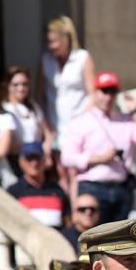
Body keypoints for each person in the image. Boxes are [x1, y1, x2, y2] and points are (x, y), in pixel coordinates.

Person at [62, 71, 136, 225]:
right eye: (104, 91)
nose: (108, 97)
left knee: (119, 242)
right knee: (96, 240)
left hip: (121, 189)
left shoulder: (125, 120)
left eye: (112, 92)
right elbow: (67, 157)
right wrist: (98, 159)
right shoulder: (82, 122)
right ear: (95, 93)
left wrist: (135, 111)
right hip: (92, 187)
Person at [39, 15, 95, 200]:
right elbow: (41, 97)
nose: (51, 46)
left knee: (75, 173)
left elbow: (92, 93)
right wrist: (47, 131)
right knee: (60, 172)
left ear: (66, 38)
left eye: (54, 41)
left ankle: (76, 212)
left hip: (78, 126)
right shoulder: (46, 61)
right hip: (56, 128)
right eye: (49, 42)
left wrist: (82, 124)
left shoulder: (82, 58)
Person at [9, 142, 70, 229]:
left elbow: (67, 222)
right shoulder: (14, 191)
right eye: (29, 159)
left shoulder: (57, 190)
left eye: (37, 158)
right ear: (21, 162)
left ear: (44, 161)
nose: (34, 163)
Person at [2, 65, 55, 157]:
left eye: (25, 84)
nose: (21, 88)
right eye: (16, 85)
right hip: (16, 158)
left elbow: (47, 132)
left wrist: (46, 148)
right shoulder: (4, 108)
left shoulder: (33, 106)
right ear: (8, 85)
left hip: (37, 156)